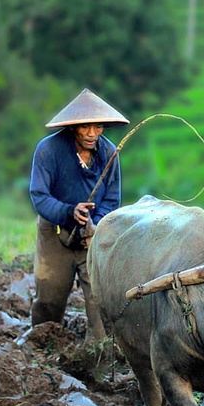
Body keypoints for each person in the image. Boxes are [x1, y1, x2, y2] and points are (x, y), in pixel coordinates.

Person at [28, 88, 129, 342]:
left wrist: (95, 224)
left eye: (98, 126)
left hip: (92, 236)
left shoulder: (109, 154)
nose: (92, 133)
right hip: (56, 233)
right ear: (74, 126)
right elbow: (39, 195)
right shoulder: (48, 151)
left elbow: (112, 199)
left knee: (99, 299)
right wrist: (68, 211)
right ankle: (42, 345)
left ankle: (100, 350)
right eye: (86, 127)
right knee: (49, 298)